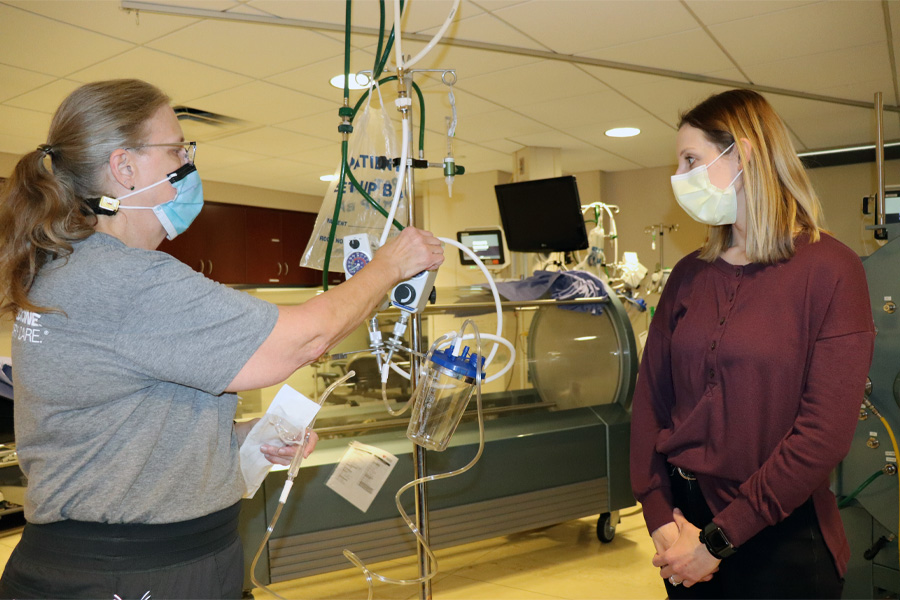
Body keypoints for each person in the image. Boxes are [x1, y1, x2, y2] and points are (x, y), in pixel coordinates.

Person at [0, 79, 443, 599]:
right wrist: (388, 266)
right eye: (176, 150)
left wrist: (237, 437)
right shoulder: (122, 279)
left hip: (147, 558)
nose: (187, 164)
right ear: (125, 167)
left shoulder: (74, 270)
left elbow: (116, 420)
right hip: (130, 571)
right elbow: (301, 341)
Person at [630, 89, 875, 599]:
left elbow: (823, 434)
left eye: (691, 159)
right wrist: (658, 513)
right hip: (681, 530)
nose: (680, 176)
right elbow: (651, 399)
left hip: (776, 533)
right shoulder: (688, 274)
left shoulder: (830, 269)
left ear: (741, 155)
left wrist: (719, 540)